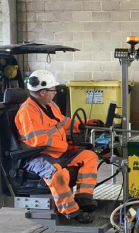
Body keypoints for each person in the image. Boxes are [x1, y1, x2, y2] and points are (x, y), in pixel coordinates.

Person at [15, 70, 101, 224]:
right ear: (42, 92)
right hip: (38, 156)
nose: (55, 93)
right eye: (52, 90)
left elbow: (63, 122)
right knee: (58, 175)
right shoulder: (27, 111)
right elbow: (39, 140)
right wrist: (65, 147)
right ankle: (72, 212)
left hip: (58, 152)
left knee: (89, 156)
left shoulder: (50, 105)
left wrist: (83, 124)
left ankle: (84, 198)